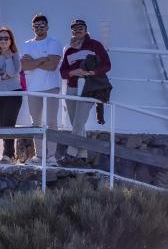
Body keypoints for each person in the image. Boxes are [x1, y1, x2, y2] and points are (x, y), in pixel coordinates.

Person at [60, 19, 112, 157]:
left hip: (89, 87)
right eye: (75, 28)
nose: (78, 30)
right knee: (76, 123)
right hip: (72, 88)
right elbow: (63, 72)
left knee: (78, 121)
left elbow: (107, 65)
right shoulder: (69, 50)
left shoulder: (95, 45)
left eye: (80, 27)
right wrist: (73, 72)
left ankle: (71, 153)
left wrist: (93, 72)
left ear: (86, 29)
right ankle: (82, 154)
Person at [21, 14, 64, 165]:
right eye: (36, 26)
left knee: (52, 122)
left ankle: (51, 156)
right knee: (36, 122)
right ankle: (39, 156)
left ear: (47, 26)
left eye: (42, 25)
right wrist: (41, 60)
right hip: (33, 89)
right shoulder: (27, 44)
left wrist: (34, 62)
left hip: (51, 87)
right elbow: (24, 66)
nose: (39, 28)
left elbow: (52, 66)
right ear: (33, 28)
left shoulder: (54, 43)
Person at [0, 27, 24, 164]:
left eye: (6, 38)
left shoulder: (15, 55)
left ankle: (7, 155)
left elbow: (14, 72)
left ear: (11, 40)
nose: (3, 41)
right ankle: (10, 155)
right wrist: (2, 77)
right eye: (0, 38)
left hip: (13, 93)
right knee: (3, 126)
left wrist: (8, 58)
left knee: (9, 124)